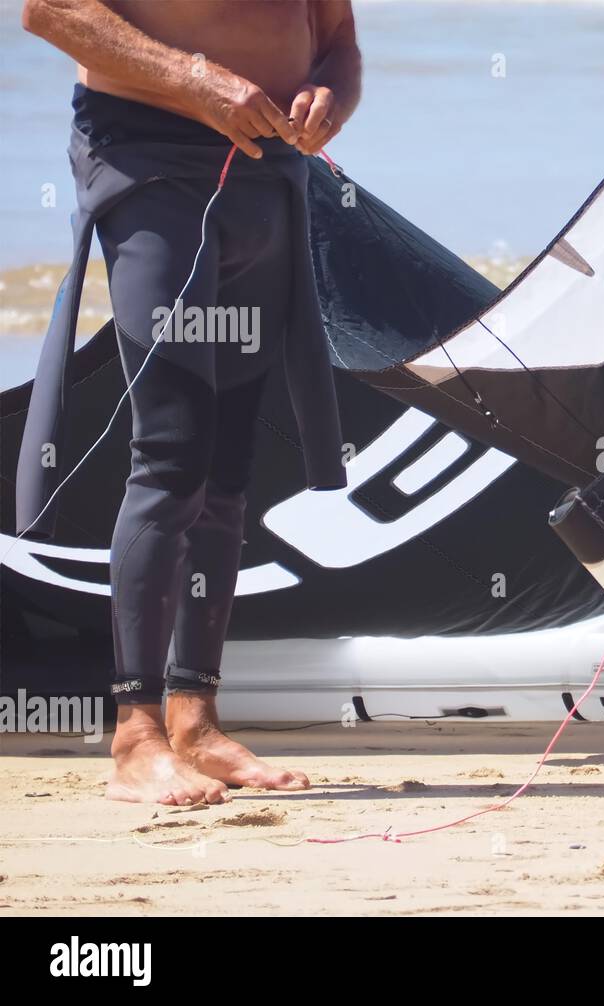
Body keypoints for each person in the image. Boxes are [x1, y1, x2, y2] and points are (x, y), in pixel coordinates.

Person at [17, 0, 363, 805]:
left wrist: (330, 100)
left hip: (267, 174)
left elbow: (339, 41)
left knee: (226, 464)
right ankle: (135, 735)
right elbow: (47, 9)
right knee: (172, 451)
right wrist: (195, 79)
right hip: (149, 162)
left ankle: (196, 722)